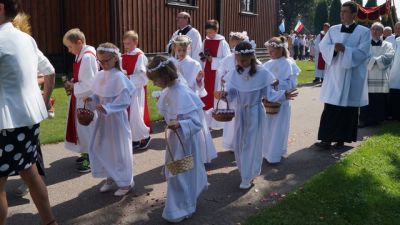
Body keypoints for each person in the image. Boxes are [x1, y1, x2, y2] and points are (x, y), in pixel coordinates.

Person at [0, 0, 58, 224]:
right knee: (30, 173)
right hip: (28, 119)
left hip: (5, 122)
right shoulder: (26, 39)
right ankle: (50, 221)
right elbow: (50, 72)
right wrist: (43, 101)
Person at [215, 41, 298, 189]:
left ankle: (248, 176)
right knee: (240, 144)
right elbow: (233, 93)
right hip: (241, 113)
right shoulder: (234, 73)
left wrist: (283, 95)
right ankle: (244, 171)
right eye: (238, 60)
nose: (241, 63)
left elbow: (269, 94)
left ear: (252, 57)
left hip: (255, 112)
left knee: (252, 145)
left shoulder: (262, 73)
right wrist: (224, 94)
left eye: (244, 60)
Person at [147, 56, 208, 223]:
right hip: (176, 141)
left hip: (186, 142)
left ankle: (183, 206)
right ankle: (181, 203)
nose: (154, 84)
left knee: (181, 174)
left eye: (155, 80)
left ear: (165, 76)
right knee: (176, 172)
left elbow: (196, 122)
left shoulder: (184, 92)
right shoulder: (169, 90)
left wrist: (180, 124)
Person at [11, 12, 56, 197]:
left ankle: (30, 181)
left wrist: (45, 101)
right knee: (24, 149)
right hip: (21, 107)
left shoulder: (25, 44)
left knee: (30, 150)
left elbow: (44, 74)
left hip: (25, 107)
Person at [315, 1, 370, 150]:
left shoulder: (364, 32)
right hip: (335, 74)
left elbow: (364, 52)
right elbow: (323, 46)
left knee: (348, 109)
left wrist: (346, 50)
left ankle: (341, 139)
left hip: (352, 75)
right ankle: (326, 139)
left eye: (345, 12)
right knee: (331, 106)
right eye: (341, 11)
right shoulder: (333, 30)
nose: (342, 14)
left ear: (354, 14)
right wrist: (333, 48)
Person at [83, 43, 134, 196]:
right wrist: (91, 100)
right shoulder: (100, 75)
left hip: (116, 120)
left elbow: (125, 99)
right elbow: (98, 96)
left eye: (106, 61)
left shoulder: (119, 77)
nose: (103, 64)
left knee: (119, 150)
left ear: (115, 59)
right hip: (103, 121)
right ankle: (110, 176)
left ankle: (125, 182)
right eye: (100, 61)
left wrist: (108, 108)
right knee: (102, 146)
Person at [170, 34, 217, 163]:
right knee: (178, 128)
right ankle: (181, 156)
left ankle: (198, 155)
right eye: (179, 50)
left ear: (188, 49)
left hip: (190, 99)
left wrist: (198, 80)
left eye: (184, 50)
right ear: (174, 48)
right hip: (177, 99)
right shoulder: (171, 63)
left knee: (194, 125)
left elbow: (199, 85)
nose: (181, 53)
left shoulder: (194, 63)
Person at [63, 28, 98, 173]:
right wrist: (74, 82)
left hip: (86, 99)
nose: (69, 50)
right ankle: (86, 153)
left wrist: (74, 86)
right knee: (82, 129)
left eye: (70, 47)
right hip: (80, 97)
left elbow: (90, 83)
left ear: (79, 42)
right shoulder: (80, 55)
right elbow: (82, 78)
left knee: (87, 127)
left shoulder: (87, 57)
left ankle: (92, 158)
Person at [262, 37, 300, 164]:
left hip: (282, 102)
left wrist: (279, 82)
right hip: (268, 101)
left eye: (272, 51)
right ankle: (265, 152)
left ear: (280, 50)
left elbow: (293, 84)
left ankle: (274, 154)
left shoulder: (288, 63)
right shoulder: (267, 64)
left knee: (278, 128)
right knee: (266, 128)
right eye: (269, 51)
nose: (270, 54)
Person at [216, 31, 249, 152]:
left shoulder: (247, 59)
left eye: (237, 44)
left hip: (243, 92)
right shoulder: (227, 59)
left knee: (242, 120)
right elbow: (221, 73)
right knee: (232, 120)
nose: (234, 47)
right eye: (233, 45)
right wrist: (223, 80)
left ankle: (242, 143)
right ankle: (231, 143)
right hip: (230, 92)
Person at [359, 22, 394, 127]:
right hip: (367, 75)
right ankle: (364, 120)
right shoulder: (365, 44)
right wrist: (374, 61)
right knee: (366, 98)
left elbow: (390, 56)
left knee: (379, 99)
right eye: (373, 29)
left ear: (382, 32)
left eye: (377, 29)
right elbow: (361, 56)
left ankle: (378, 119)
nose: (375, 31)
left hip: (381, 76)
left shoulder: (388, 45)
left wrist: (374, 60)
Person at [122, 30, 151, 150]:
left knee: (136, 114)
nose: (126, 46)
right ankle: (134, 138)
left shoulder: (140, 56)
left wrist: (128, 77)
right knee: (128, 115)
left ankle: (145, 136)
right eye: (125, 44)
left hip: (137, 90)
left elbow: (143, 76)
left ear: (136, 42)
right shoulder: (123, 56)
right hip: (125, 90)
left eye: (128, 43)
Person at [201, 19, 231, 129]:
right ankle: (206, 122)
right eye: (207, 32)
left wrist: (212, 59)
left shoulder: (222, 42)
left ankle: (216, 122)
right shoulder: (205, 41)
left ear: (216, 30)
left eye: (210, 32)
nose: (209, 35)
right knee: (206, 96)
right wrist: (204, 58)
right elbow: (201, 55)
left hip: (217, 74)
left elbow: (227, 59)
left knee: (215, 97)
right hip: (207, 72)